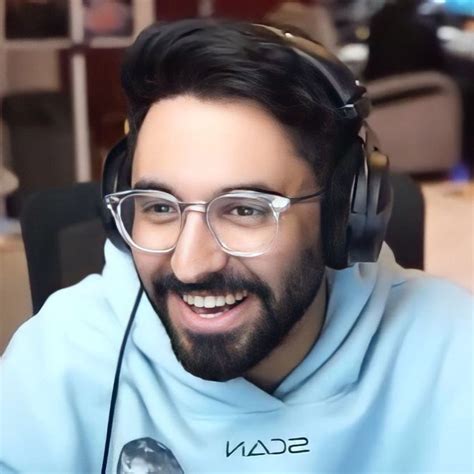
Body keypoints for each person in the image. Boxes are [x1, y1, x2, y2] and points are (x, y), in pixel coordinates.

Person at [1, 19, 472, 473]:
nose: (189, 265)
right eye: (160, 207)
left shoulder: (451, 347)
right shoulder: (58, 358)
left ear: (341, 215)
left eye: (246, 209)